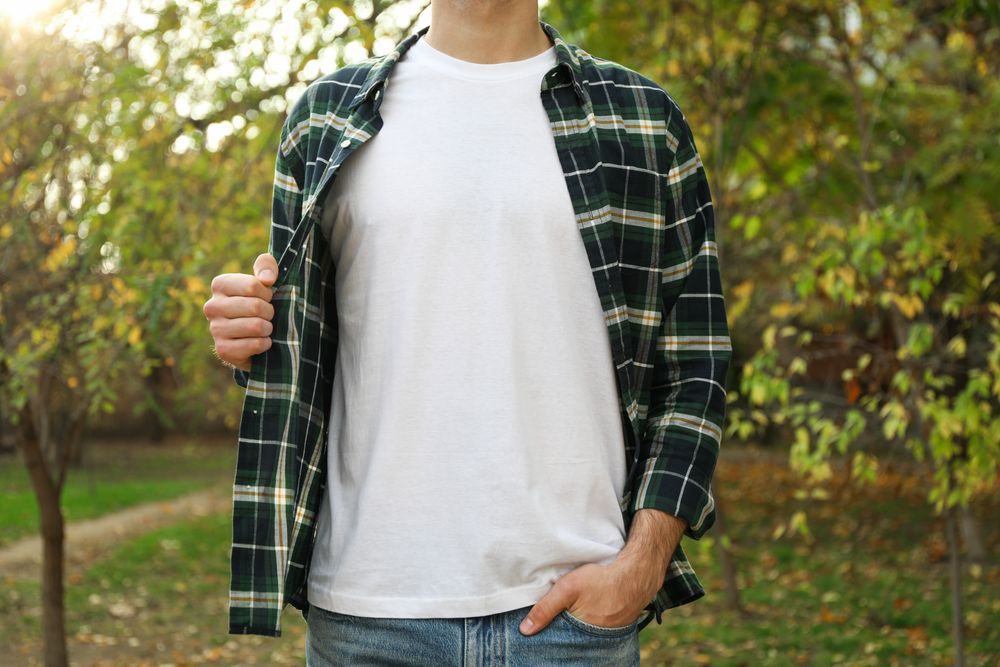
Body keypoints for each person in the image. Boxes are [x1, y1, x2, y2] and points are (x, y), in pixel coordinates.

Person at [203, 1, 732, 664]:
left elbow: (695, 367)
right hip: (367, 617)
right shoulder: (327, 117)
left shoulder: (642, 121)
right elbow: (303, 353)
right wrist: (250, 335)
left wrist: (641, 566)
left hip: (573, 623)